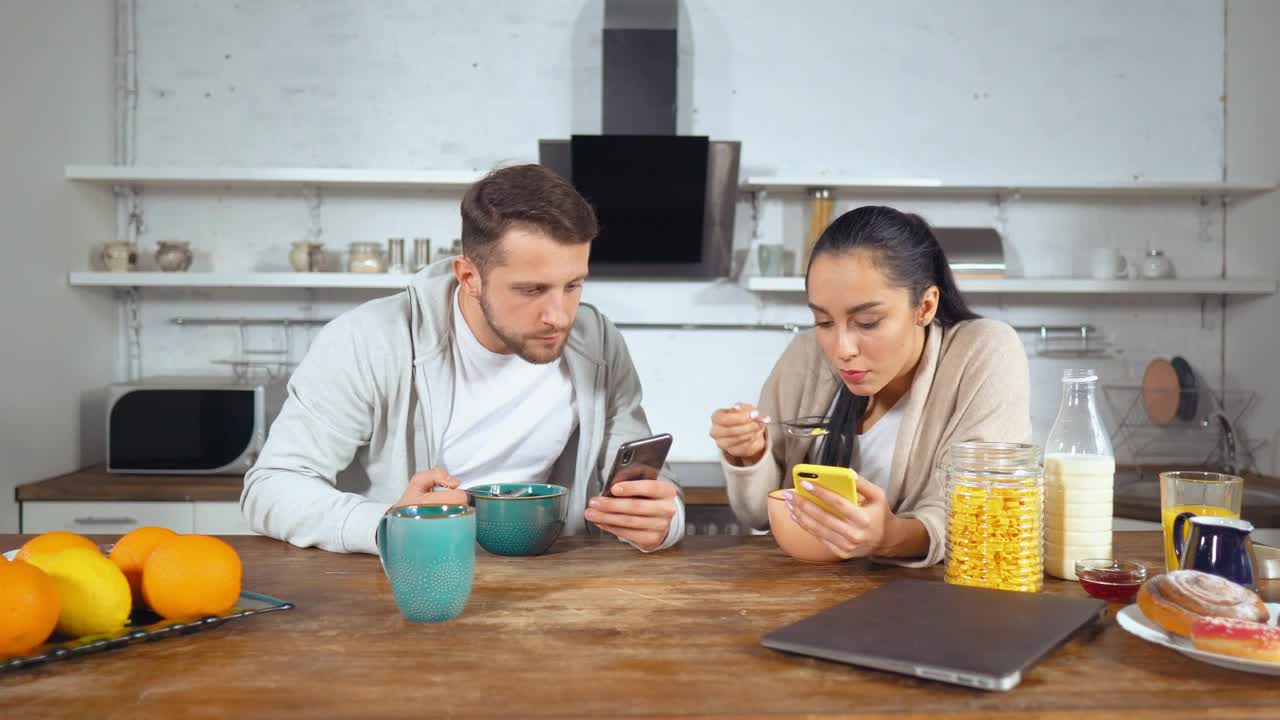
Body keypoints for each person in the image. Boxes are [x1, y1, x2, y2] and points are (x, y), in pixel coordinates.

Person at [243, 164, 683, 554]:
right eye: (531, 290)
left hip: (552, 587)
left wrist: (665, 521)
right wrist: (388, 526)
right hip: (404, 583)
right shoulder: (367, 340)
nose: (559, 316)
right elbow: (271, 488)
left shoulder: (598, 341)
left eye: (573, 285)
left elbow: (648, 487)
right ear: (469, 276)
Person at [709, 206, 1030, 567]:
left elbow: (980, 514)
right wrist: (750, 453)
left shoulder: (982, 350)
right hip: (809, 593)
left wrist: (889, 537)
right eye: (824, 321)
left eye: (867, 321)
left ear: (925, 306)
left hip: (938, 601)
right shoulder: (806, 355)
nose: (842, 349)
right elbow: (759, 514)